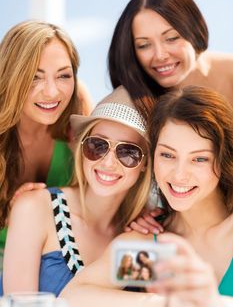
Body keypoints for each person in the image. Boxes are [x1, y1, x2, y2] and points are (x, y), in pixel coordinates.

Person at [60, 86, 233, 307]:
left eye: (199, 159)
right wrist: (160, 302)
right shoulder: (150, 249)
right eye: (167, 155)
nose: (179, 175)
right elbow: (72, 296)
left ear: (223, 158)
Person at [1, 85, 152, 296]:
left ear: (145, 162)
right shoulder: (34, 208)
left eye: (128, 152)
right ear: (82, 146)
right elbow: (17, 303)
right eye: (97, 145)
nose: (108, 163)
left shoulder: (140, 235)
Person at [0, 20, 93, 260]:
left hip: (56, 263)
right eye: (34, 77)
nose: (52, 92)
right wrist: (8, 217)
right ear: (11, 76)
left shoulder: (77, 106)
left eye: (63, 75)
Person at [108, 0, 233, 120]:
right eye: (144, 45)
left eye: (171, 38)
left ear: (194, 30)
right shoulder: (126, 103)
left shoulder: (229, 72)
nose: (160, 55)